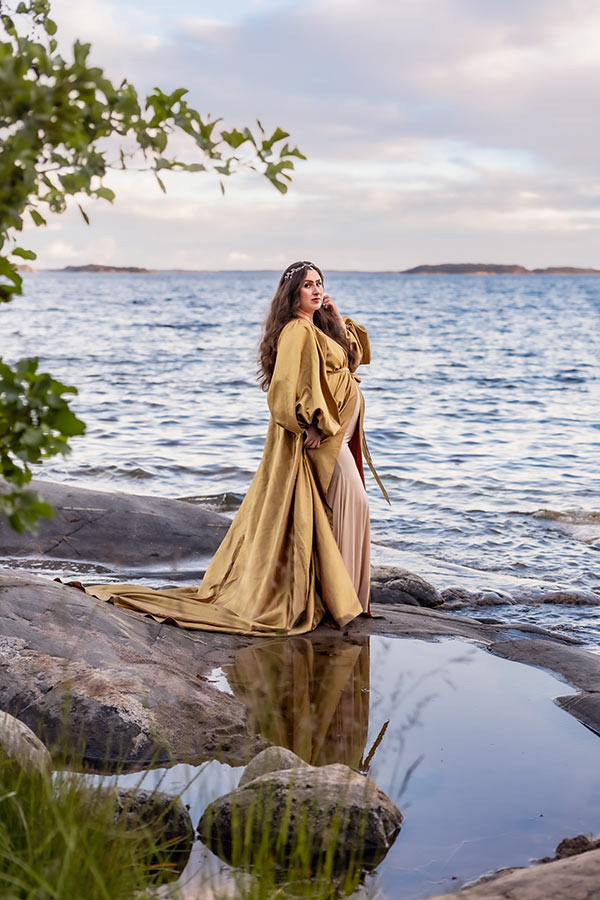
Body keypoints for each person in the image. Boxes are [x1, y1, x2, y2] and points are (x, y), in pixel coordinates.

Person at [85, 261, 389, 634]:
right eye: (307, 285)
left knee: (340, 506)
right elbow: (284, 389)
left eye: (319, 283)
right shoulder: (296, 330)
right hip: (322, 438)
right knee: (350, 502)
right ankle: (339, 596)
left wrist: (335, 316)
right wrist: (307, 423)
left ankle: (341, 595)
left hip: (339, 433)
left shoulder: (315, 327)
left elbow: (353, 359)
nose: (315, 290)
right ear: (292, 294)